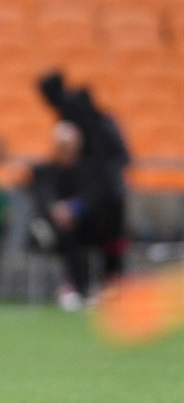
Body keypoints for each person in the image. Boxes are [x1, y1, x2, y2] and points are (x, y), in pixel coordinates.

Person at [38, 71, 130, 283]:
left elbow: (108, 175)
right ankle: (87, 286)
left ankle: (106, 285)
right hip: (92, 205)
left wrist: (76, 206)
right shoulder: (93, 119)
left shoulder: (84, 121)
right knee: (75, 235)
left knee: (109, 241)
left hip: (103, 202)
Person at [29, 121, 125, 311]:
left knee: (109, 227)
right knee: (68, 233)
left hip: (84, 226)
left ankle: (105, 286)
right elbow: (44, 197)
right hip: (53, 230)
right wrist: (57, 209)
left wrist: (75, 208)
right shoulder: (45, 171)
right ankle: (76, 287)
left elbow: (93, 196)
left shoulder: (87, 170)